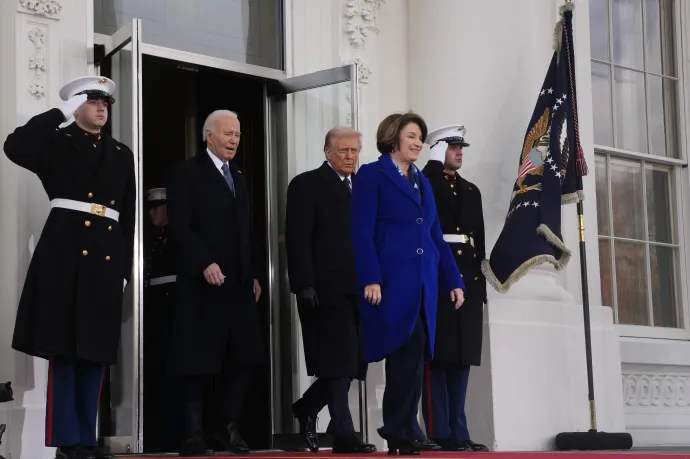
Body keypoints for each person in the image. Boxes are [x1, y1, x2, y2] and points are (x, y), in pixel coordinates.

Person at [4, 76, 136, 459]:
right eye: (92, 101)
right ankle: (66, 440)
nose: (101, 108)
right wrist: (58, 113)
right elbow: (15, 146)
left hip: (105, 261)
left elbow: (125, 215)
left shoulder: (121, 152)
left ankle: (86, 439)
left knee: (94, 352)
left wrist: (125, 270)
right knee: (65, 351)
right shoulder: (56, 142)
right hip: (64, 257)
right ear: (76, 106)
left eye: (105, 103)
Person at [351, 112, 465, 456]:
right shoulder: (372, 174)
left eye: (420, 138)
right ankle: (402, 428)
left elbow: (434, 237)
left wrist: (453, 279)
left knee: (414, 354)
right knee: (407, 347)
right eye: (412, 136)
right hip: (390, 282)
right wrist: (370, 277)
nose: (418, 143)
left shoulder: (421, 181)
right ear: (393, 137)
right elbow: (360, 231)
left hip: (423, 283)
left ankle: (402, 431)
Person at [167, 110, 263, 456]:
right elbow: (180, 226)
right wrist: (204, 261)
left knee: (244, 357)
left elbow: (246, 231)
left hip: (237, 285)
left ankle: (225, 423)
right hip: (201, 285)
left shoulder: (238, 175)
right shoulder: (186, 173)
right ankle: (191, 434)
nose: (234, 140)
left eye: (237, 134)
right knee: (197, 361)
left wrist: (251, 273)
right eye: (228, 134)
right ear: (209, 135)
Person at [285, 127, 376, 455]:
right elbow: (297, 239)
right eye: (343, 151)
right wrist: (303, 284)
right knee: (337, 363)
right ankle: (343, 433)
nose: (350, 157)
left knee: (352, 364)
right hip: (323, 289)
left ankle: (306, 407)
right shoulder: (306, 184)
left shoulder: (363, 187)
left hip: (360, 289)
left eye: (355, 151)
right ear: (327, 152)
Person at [421, 126, 489, 452]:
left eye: (462, 147)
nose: (460, 152)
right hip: (438, 275)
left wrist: (481, 288)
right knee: (438, 358)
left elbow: (479, 241)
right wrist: (432, 165)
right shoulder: (426, 183)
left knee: (461, 359)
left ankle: (459, 432)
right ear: (436, 150)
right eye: (452, 147)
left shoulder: (471, 190)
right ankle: (439, 431)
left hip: (468, 279)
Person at [143, 187, 182, 452]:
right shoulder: (154, 237)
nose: (151, 212)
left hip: (172, 307)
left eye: (157, 206)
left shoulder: (177, 236)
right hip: (155, 309)